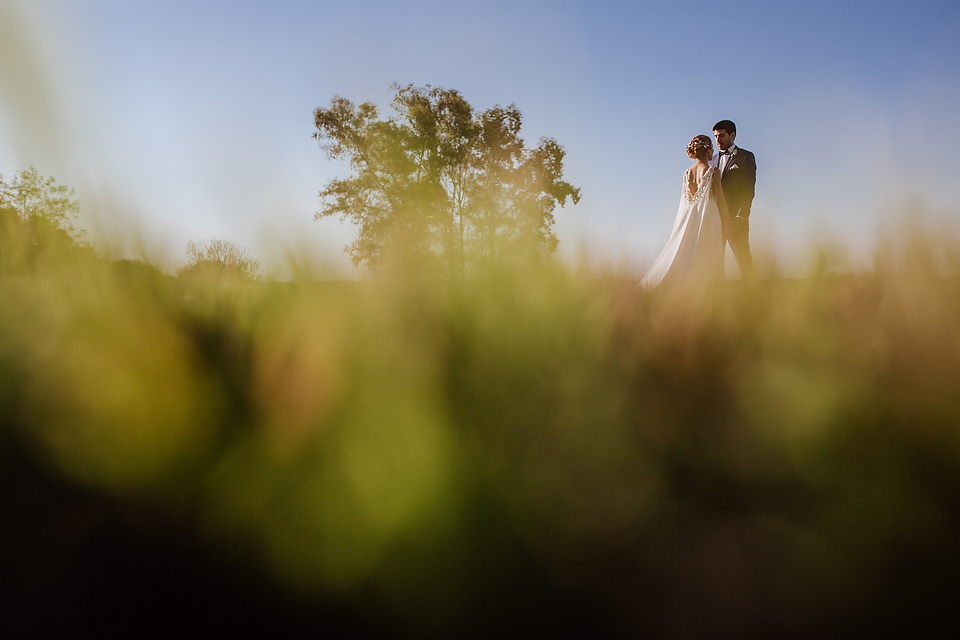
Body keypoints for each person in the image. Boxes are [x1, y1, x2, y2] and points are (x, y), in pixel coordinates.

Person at [640, 135, 731, 288]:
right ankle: (706, 286)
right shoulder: (713, 171)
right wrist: (727, 219)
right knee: (706, 250)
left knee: (692, 248)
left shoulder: (687, 173)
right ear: (708, 150)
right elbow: (721, 198)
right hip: (709, 214)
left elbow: (686, 199)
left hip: (692, 214)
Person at [711, 120, 756, 280]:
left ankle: (751, 299)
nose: (718, 140)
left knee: (743, 261)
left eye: (722, 135)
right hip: (714, 219)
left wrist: (740, 217)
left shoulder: (745, 157)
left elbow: (748, 190)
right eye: (716, 136)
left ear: (733, 135)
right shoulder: (711, 160)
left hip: (735, 220)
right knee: (714, 263)